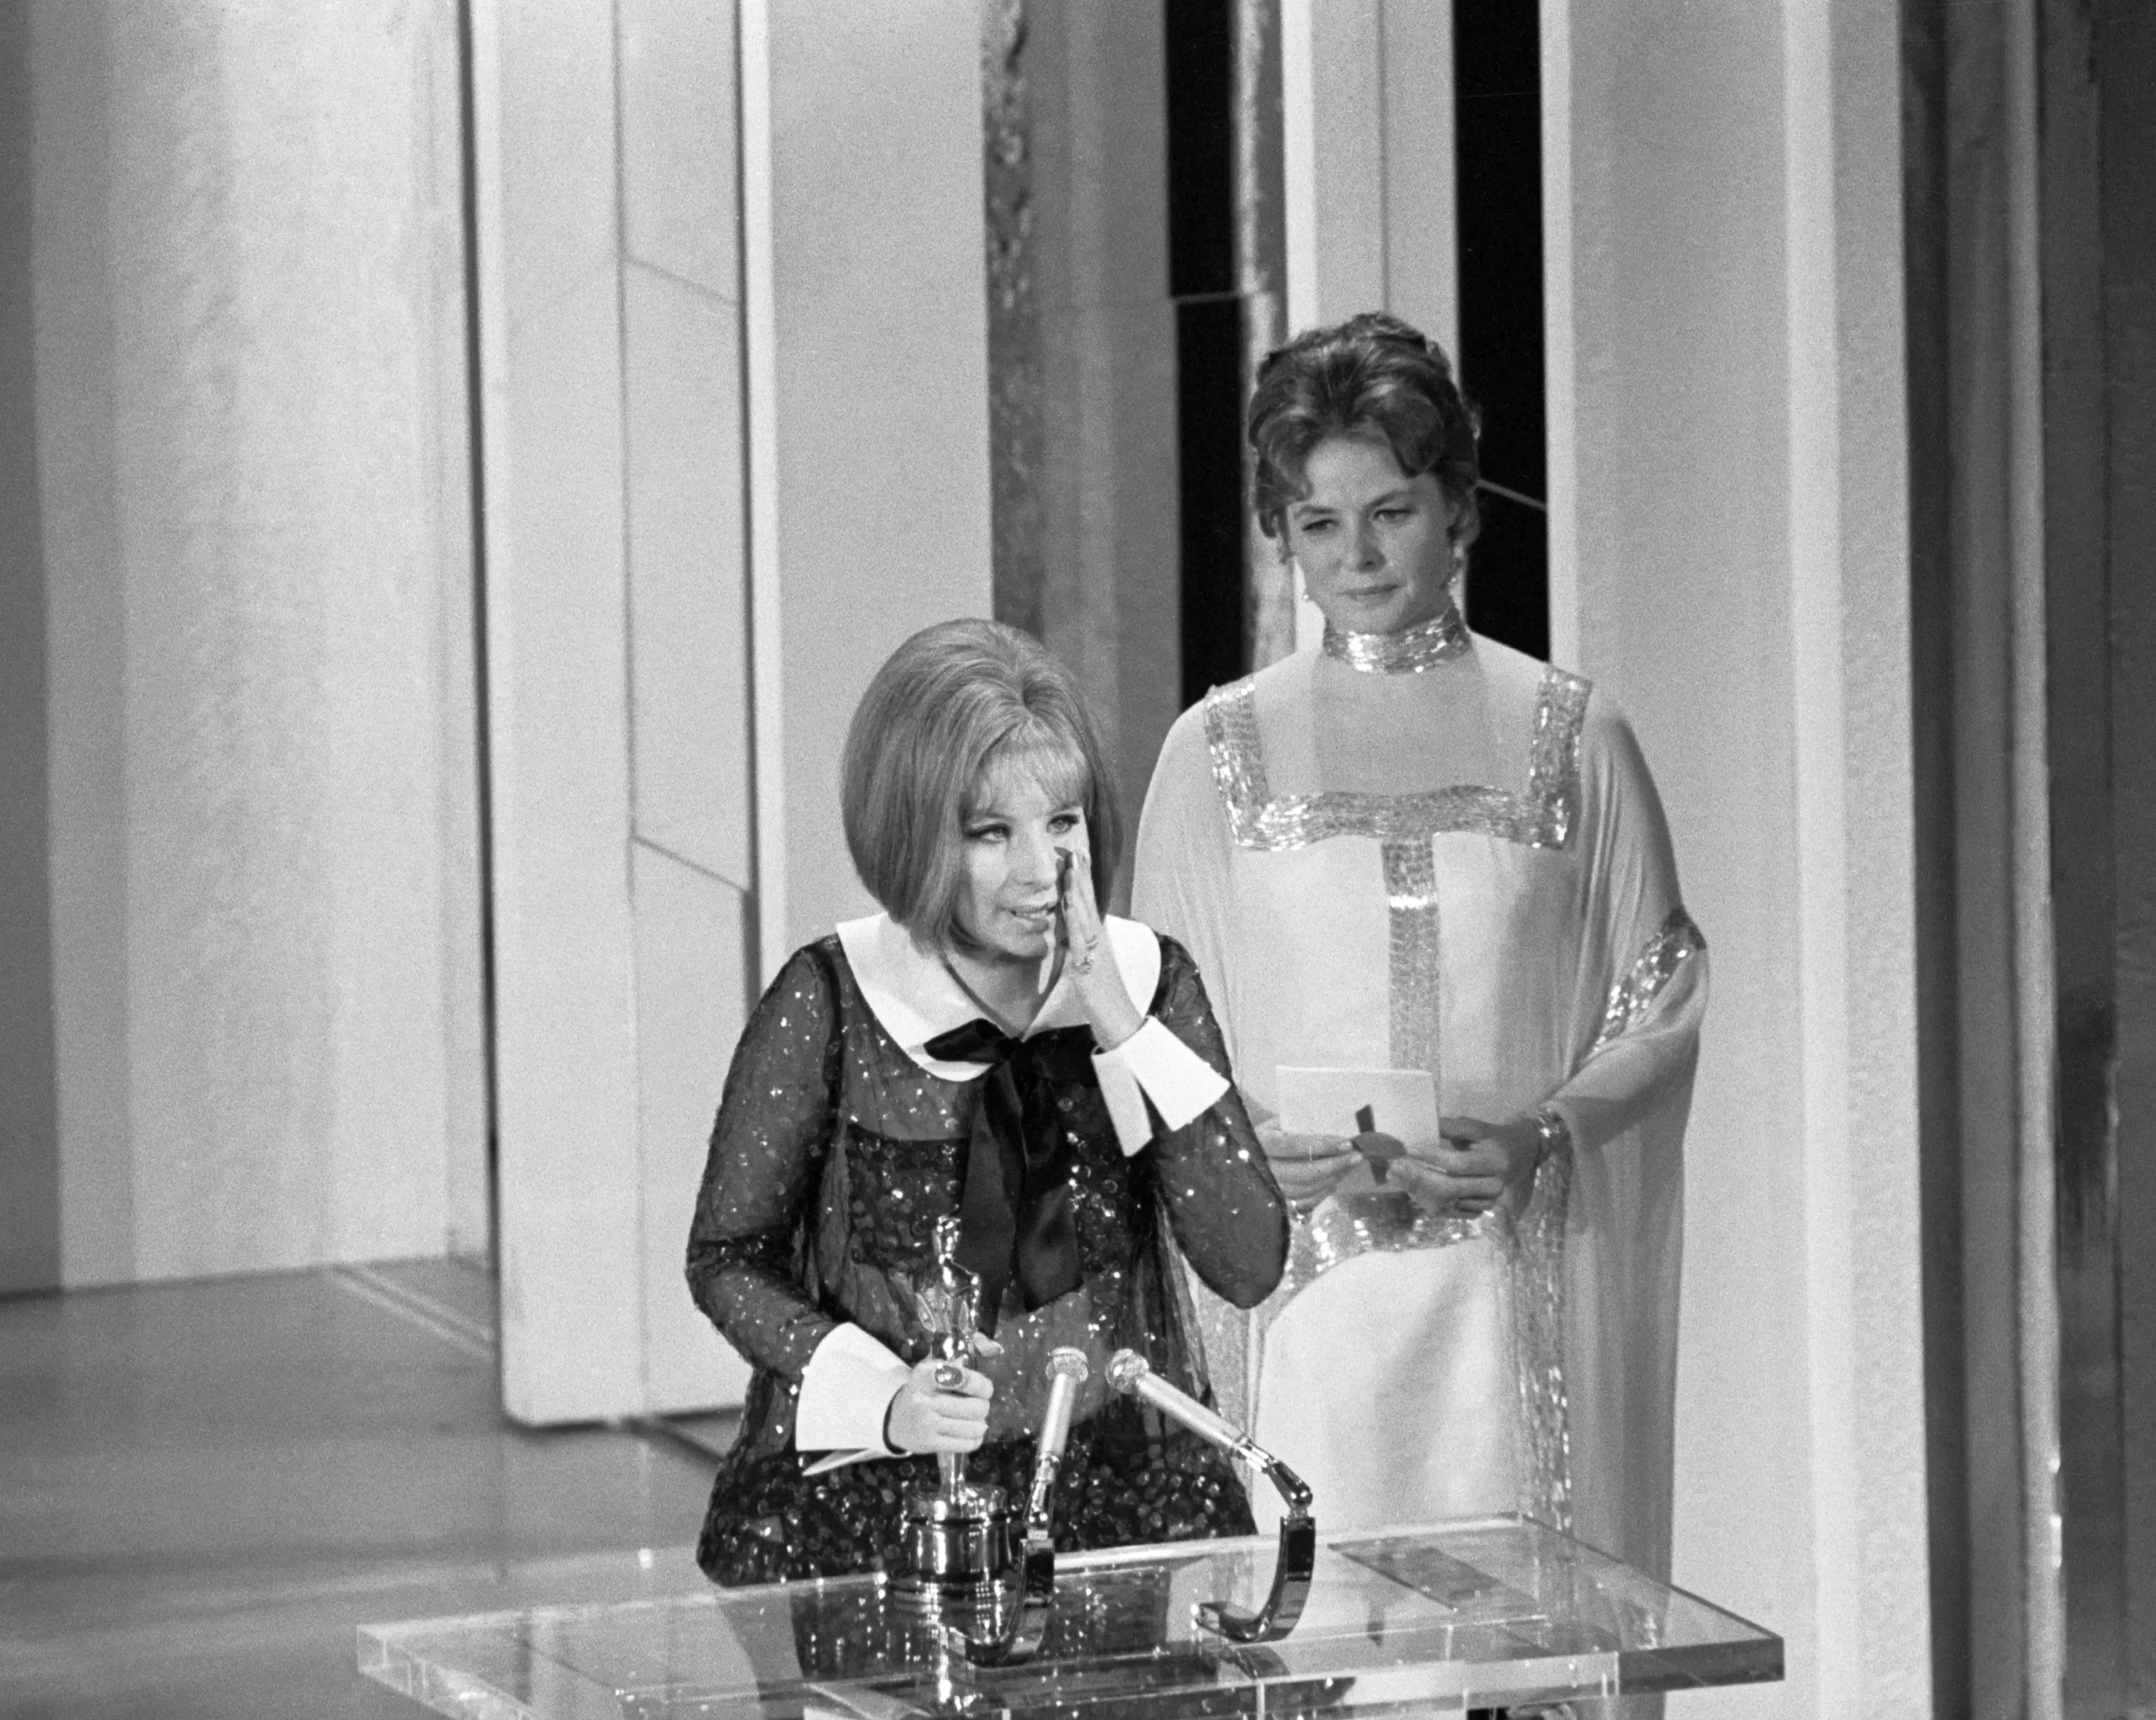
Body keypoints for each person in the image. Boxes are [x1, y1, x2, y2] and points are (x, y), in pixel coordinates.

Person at [1132, 313, 1707, 1587]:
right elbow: (1151, 1033)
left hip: (1513, 1306)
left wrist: (1539, 1137)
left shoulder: (1572, 733)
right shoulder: (1216, 750)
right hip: (1306, 1316)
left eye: (1389, 511)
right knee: (1320, 1636)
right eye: (1318, 522)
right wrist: (1235, 1152)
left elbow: (1658, 997)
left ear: (1459, 507)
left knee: (1520, 1641)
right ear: (1283, 536)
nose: (1356, 555)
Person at [688, 618, 1288, 1586]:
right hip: (884, 1506)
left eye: (1063, 823)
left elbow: (1249, 1263)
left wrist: (1116, 1018)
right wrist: (885, 1400)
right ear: (915, 835)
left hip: (1112, 1508)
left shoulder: (1148, 981)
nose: (1040, 871)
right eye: (990, 833)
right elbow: (728, 1258)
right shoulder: (834, 996)